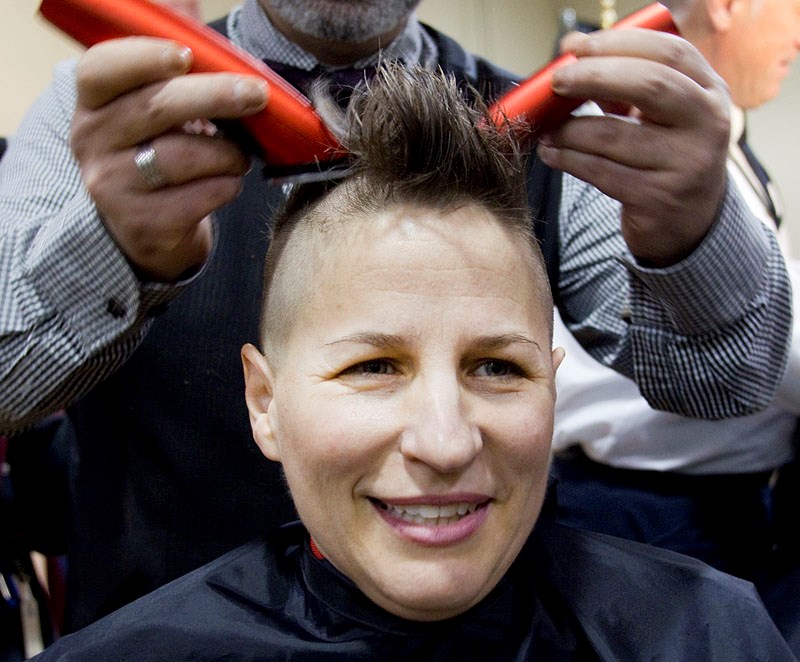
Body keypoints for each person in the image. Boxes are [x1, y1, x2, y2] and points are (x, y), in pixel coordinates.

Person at [0, 0, 792, 632]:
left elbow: (721, 381)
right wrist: (111, 251)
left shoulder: (551, 125)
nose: (439, 442)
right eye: (373, 365)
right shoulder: (103, 106)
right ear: (262, 397)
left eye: (496, 366)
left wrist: (694, 229)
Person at [548, 0, 800, 609]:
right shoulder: (623, 126)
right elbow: (752, 355)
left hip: (720, 503)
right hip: (650, 514)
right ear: (727, 6)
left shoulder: (720, 139)